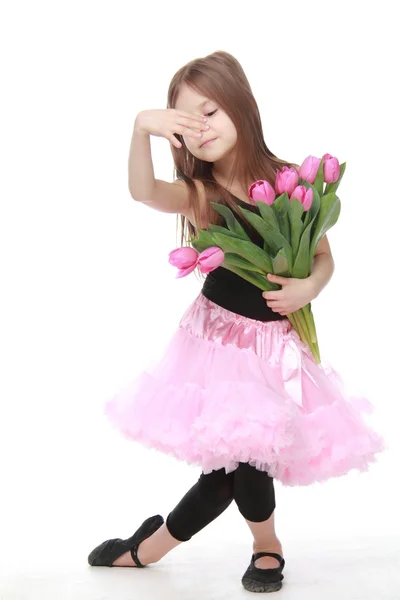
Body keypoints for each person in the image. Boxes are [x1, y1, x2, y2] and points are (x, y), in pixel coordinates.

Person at [87, 50, 384, 594]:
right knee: (238, 465)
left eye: (211, 112)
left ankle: (149, 549)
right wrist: (140, 128)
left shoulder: (290, 182)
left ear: (242, 108)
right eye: (184, 122)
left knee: (238, 466)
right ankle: (259, 546)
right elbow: (144, 191)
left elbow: (323, 257)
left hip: (272, 352)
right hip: (218, 347)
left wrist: (310, 286)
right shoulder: (204, 195)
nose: (200, 129)